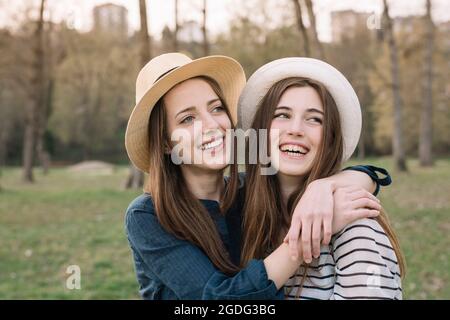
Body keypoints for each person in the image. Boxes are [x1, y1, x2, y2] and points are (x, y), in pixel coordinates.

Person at [124, 53, 386, 300]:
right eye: (188, 119)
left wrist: (322, 187)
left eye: (216, 109)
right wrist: (304, 239)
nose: (212, 125)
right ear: (167, 143)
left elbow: (371, 175)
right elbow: (220, 299)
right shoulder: (148, 216)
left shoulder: (248, 191)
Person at [238, 57, 405, 300]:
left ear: (329, 141)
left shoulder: (355, 229)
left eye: (314, 119)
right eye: (282, 115)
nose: (296, 129)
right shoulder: (243, 215)